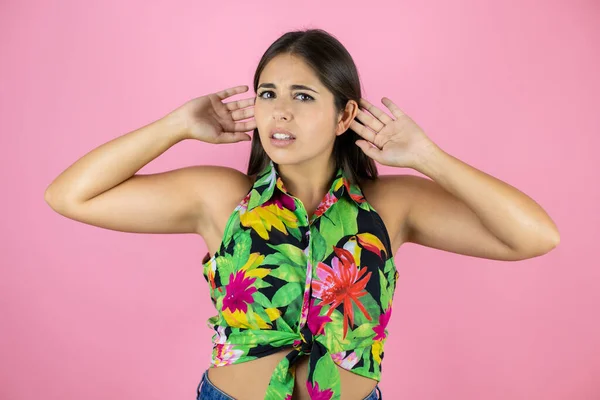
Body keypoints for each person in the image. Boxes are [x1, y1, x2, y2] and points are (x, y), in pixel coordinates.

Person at [44, 29, 560, 400]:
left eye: (303, 96)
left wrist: (428, 157)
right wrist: (176, 125)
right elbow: (69, 196)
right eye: (268, 94)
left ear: (345, 115)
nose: (279, 111)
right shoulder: (222, 199)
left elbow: (534, 236)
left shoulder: (389, 207)